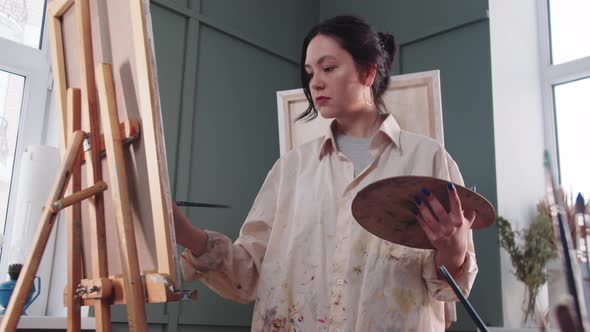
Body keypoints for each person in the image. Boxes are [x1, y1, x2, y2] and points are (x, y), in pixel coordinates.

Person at [174, 15, 478, 331]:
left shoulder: (428, 160)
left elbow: (445, 292)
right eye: (310, 72)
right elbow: (247, 276)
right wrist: (186, 233)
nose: (315, 81)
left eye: (328, 68)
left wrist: (453, 252)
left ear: (368, 71)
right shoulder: (291, 169)